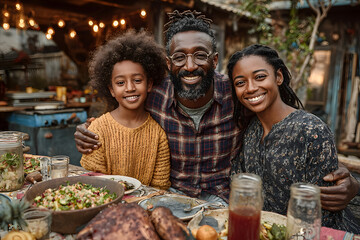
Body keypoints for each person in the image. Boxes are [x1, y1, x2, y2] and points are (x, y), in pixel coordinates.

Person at [74, 10, 359, 208]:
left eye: (200, 55)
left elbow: (290, 130)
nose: (190, 65)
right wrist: (89, 129)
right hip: (171, 197)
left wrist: (351, 182)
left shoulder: (238, 94)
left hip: (224, 200)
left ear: (214, 60)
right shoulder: (153, 93)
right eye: (179, 57)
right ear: (168, 64)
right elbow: (120, 111)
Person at [227, 44, 359, 232]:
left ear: (278, 77)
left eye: (260, 77)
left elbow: (324, 213)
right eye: (240, 83)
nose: (250, 88)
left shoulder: (311, 130)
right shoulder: (250, 132)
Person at [80, 30, 171, 190]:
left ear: (149, 84)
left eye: (137, 80)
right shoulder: (98, 130)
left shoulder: (158, 136)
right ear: (111, 90)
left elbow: (160, 188)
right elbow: (92, 184)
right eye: (120, 83)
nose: (130, 88)